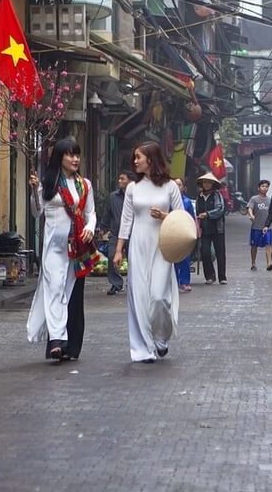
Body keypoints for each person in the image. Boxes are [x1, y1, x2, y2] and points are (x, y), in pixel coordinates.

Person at [26, 137, 97, 362]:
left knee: (68, 292)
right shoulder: (49, 183)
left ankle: (66, 341)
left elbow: (90, 213)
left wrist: (90, 228)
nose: (75, 159)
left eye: (77, 154)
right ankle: (57, 339)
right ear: (60, 157)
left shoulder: (84, 185)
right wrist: (35, 191)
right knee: (55, 289)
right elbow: (37, 212)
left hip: (76, 247)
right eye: (69, 154)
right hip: (54, 247)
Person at [113, 142, 184, 363]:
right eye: (135, 157)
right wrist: (118, 250)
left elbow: (181, 217)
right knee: (139, 297)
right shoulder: (133, 188)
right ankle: (143, 348)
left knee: (159, 296)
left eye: (139, 157)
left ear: (151, 160)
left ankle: (161, 337)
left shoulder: (170, 187)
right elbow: (126, 220)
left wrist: (164, 216)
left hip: (162, 244)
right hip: (138, 244)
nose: (135, 162)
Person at [99, 171, 131, 295]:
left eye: (122, 178)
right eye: (119, 178)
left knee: (132, 259)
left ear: (130, 180)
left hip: (131, 233)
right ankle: (116, 283)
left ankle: (133, 283)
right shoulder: (113, 197)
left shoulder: (134, 196)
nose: (119, 181)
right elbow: (107, 213)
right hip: (116, 233)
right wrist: (103, 227)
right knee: (112, 256)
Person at [194, 172, 227, 285]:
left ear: (212, 184)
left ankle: (222, 277)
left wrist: (207, 214)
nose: (207, 184)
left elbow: (220, 209)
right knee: (205, 252)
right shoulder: (199, 197)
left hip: (217, 228)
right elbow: (197, 211)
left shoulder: (217, 195)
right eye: (205, 182)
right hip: (204, 229)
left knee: (220, 253)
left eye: (209, 182)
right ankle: (210, 276)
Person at [173, 177, 196, 292]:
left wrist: (195, 231)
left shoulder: (187, 202)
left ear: (184, 188)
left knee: (185, 259)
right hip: (171, 233)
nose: (177, 187)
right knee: (172, 258)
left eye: (179, 185)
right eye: (175, 184)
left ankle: (185, 282)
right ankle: (174, 282)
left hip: (184, 232)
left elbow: (192, 217)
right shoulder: (167, 201)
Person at [247, 179, 272, 271]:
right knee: (254, 246)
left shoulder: (270, 200)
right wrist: (251, 215)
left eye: (266, 186)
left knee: (268, 245)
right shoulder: (254, 199)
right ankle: (253, 263)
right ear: (258, 188)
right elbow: (250, 208)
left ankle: (269, 263)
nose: (264, 188)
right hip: (256, 226)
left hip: (267, 227)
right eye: (262, 186)